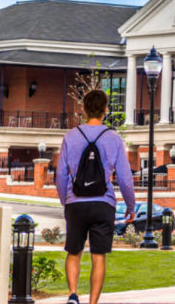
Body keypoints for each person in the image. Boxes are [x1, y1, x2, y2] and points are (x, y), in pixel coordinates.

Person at [56, 90, 136, 304]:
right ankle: (92, 303)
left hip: (76, 204)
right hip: (104, 203)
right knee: (98, 256)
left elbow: (61, 174)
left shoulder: (70, 137)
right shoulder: (114, 139)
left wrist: (66, 202)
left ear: (83, 109)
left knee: (73, 252)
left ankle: (73, 294)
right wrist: (131, 206)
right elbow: (125, 178)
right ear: (105, 110)